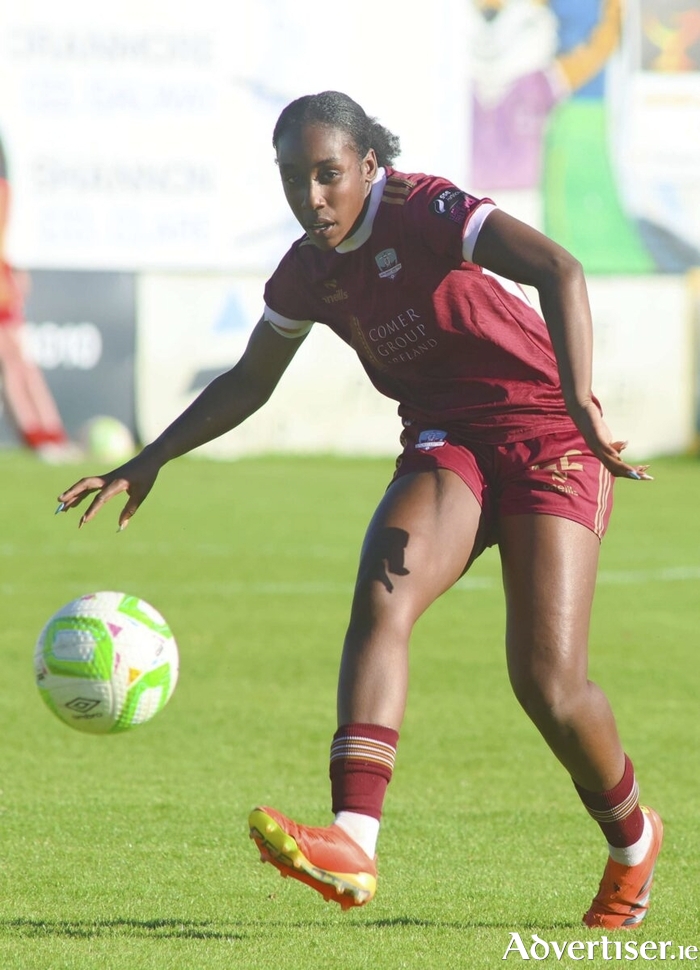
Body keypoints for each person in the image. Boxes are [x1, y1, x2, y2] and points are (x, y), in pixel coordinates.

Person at [56, 91, 662, 929]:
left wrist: (580, 401)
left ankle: (633, 844)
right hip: (449, 440)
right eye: (293, 178)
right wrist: (150, 458)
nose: (311, 196)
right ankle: (352, 839)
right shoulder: (309, 269)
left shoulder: (426, 210)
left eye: (328, 174)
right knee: (383, 596)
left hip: (546, 432)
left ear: (369, 166)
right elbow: (249, 380)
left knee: (546, 682)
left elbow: (561, 269)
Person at [0, 132, 76, 462]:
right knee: (12, 361)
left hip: (3, 279)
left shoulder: (5, 189)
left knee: (19, 360)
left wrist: (14, 270)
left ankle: (49, 435)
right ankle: (38, 436)